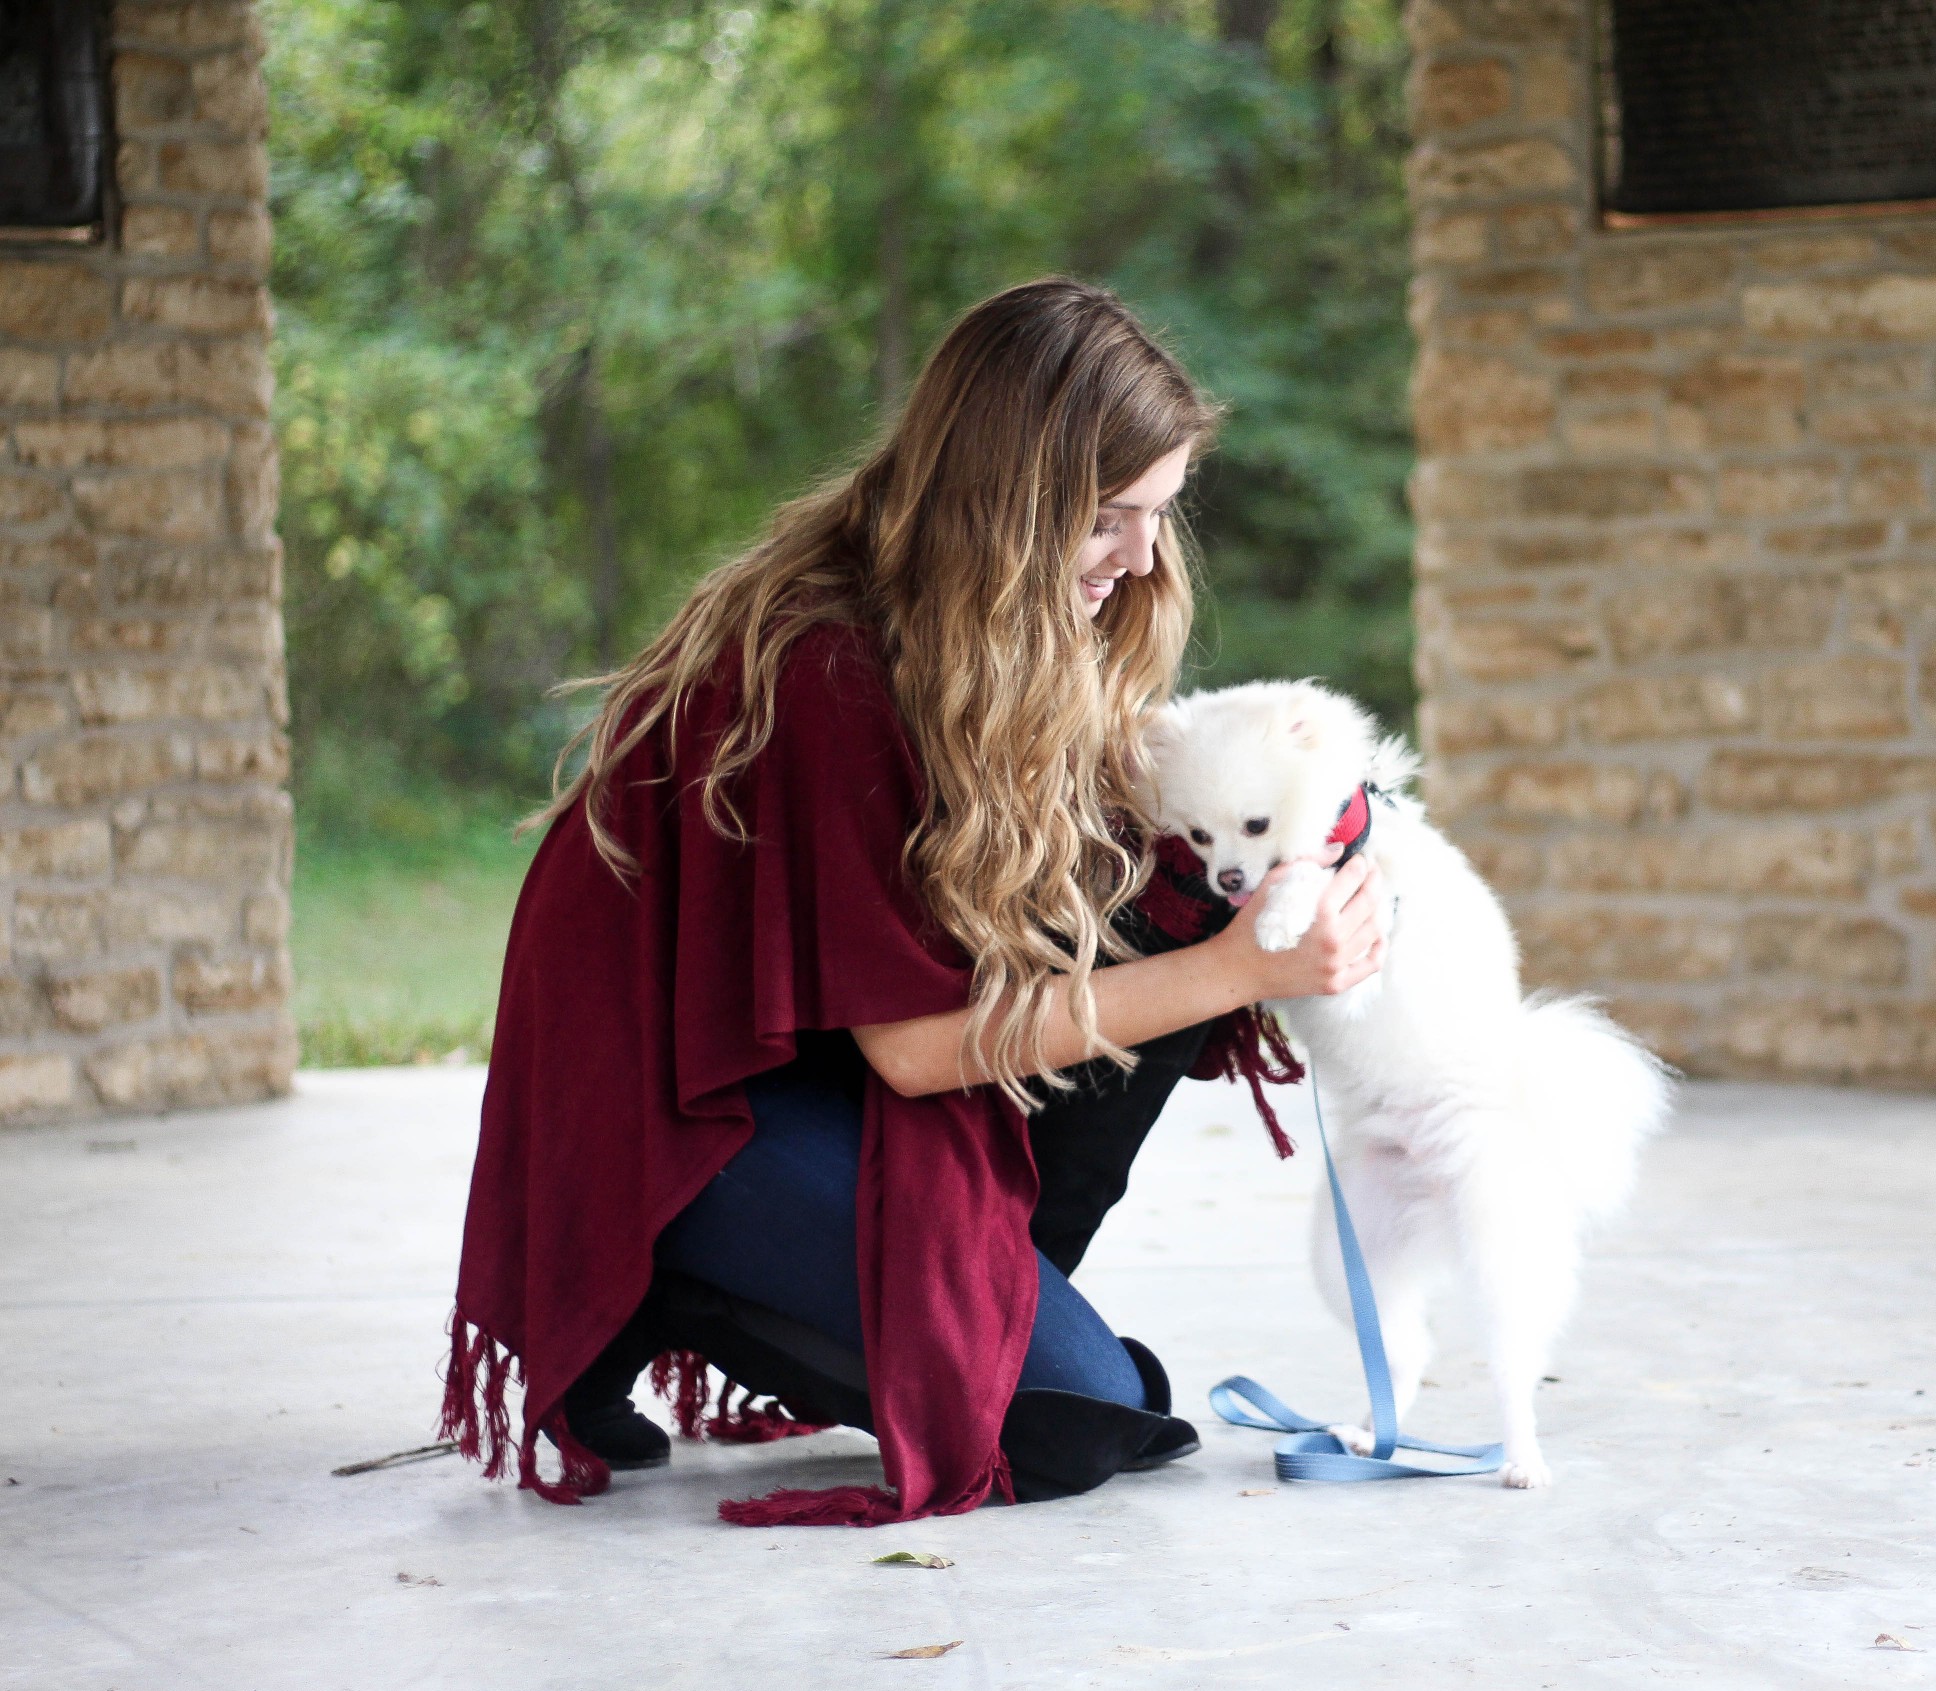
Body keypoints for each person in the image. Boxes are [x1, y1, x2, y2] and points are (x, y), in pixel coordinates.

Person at [439, 278, 1386, 1528]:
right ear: (1010, 502)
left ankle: (980, 1284)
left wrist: (1295, 856)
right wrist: (1240, 973)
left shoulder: (1002, 623)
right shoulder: (826, 665)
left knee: (1167, 903)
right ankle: (658, 1271)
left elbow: (1092, 916)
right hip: (694, 1109)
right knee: (1066, 1421)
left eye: (1160, 515)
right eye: (1110, 518)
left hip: (834, 1066)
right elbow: (919, 1049)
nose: (1144, 558)